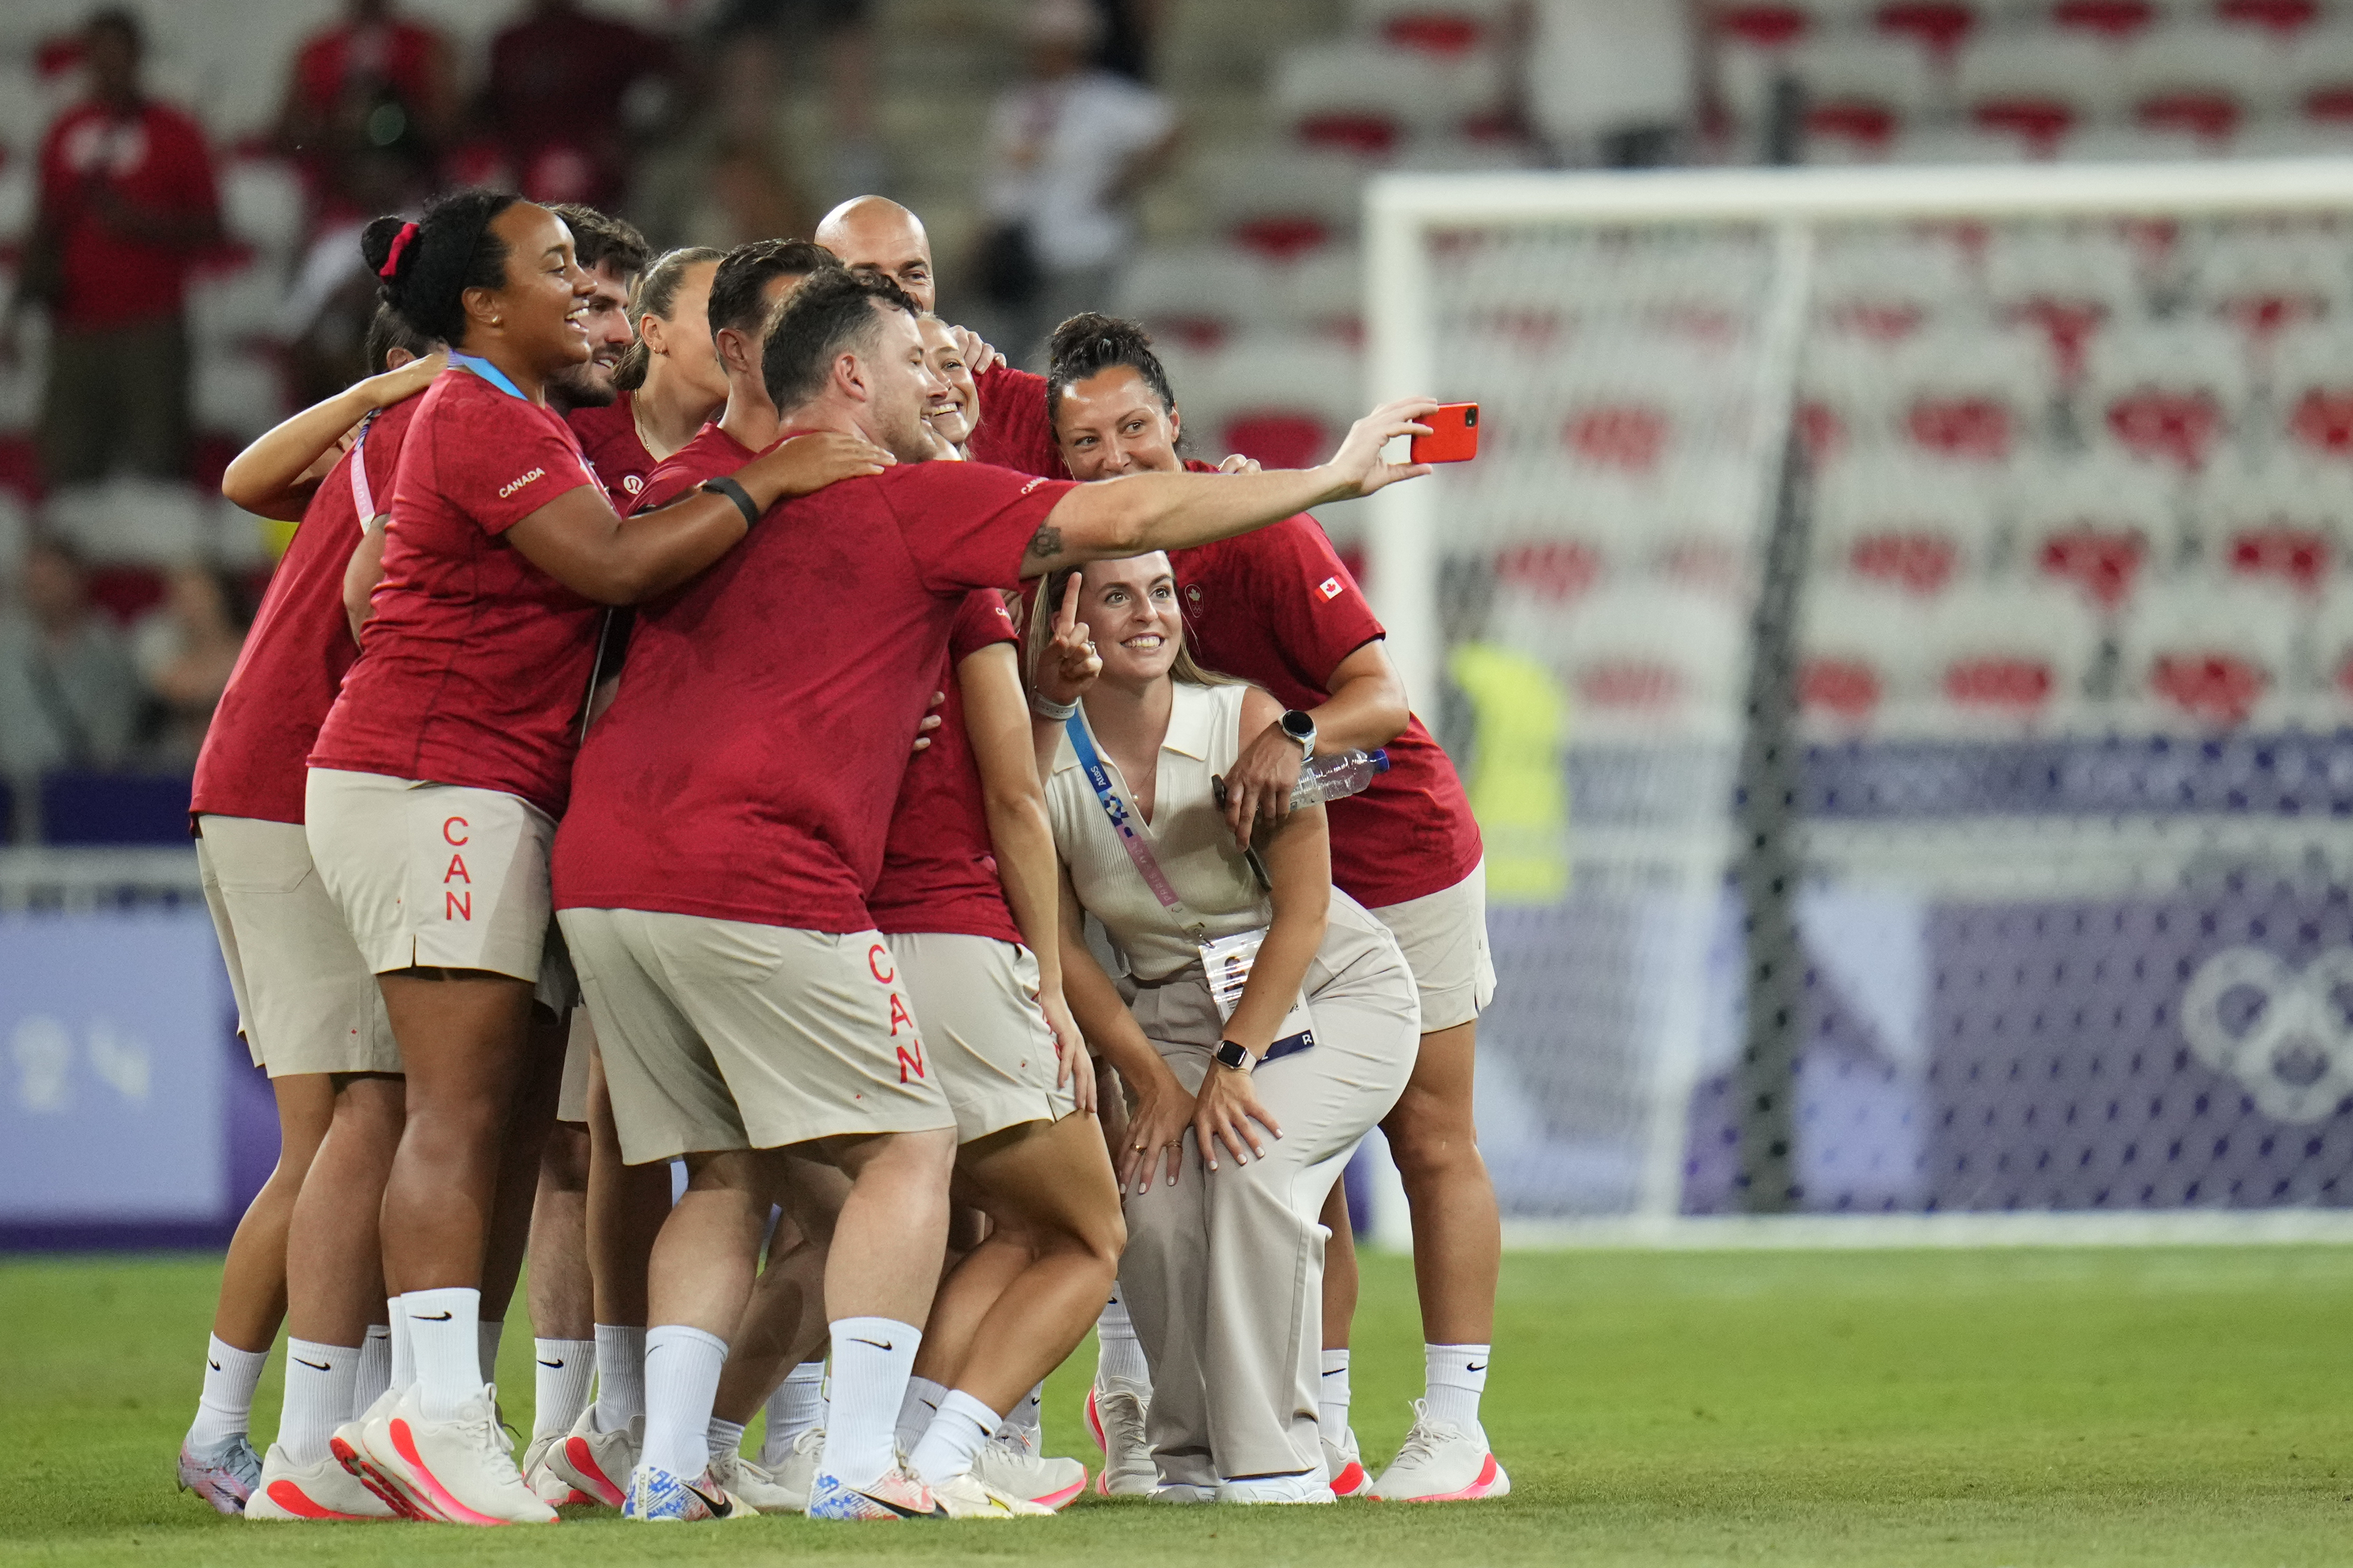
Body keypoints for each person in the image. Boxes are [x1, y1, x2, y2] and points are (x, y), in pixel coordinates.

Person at [545, 265, 1434, 1523]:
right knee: (914, 1152)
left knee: (723, 1174)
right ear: (851, 377)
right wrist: (1331, 478)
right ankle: (864, 1463)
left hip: (601, 871)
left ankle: (664, 1465)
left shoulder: (698, 491)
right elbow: (1117, 514)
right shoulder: (909, 504)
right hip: (764, 869)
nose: (937, 384)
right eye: (914, 364)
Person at [301, 188, 889, 1527]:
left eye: (585, 268)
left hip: (458, 776)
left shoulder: (513, 416)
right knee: (454, 1105)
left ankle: (436, 1404)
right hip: (435, 774)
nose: (583, 290)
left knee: (494, 1110)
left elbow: (388, 579)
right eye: (556, 269)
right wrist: (774, 475)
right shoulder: (484, 415)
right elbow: (615, 565)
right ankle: (431, 1406)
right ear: (479, 304)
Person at [1038, 315, 1509, 1502]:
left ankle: (1456, 1427)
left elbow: (1382, 698)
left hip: (1386, 849)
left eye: (1133, 428)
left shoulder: (1253, 531)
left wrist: (1284, 739)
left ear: (1177, 428)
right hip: (1237, 887)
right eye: (1083, 440)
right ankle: (1320, 1422)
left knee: (1428, 1136)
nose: (1112, 458)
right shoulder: (1063, 560)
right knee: (1289, 1154)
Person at [529, 236, 845, 1516]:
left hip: (664, 852)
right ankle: (635, 1417)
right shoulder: (646, 473)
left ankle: (675, 1440)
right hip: (672, 850)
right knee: (607, 1139)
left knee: (703, 1162)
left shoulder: (735, 467)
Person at [1032, 551, 1418, 1504]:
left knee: (1255, 1172)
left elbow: (1304, 913)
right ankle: (1192, 1455)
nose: (1147, 614)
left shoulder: (1241, 715)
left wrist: (1234, 1060)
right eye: (1116, 595)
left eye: (1160, 592)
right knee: (1154, 1212)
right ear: (1063, 620)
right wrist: (1151, 1078)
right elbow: (1061, 945)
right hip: (1163, 1012)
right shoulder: (1040, 753)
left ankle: (1280, 1457)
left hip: (1327, 992)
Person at [185, 305, 439, 1522]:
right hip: (291, 786)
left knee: (367, 1114)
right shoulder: (411, 438)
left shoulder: (380, 445)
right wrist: (388, 395)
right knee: (348, 1118)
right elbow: (360, 599)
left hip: (278, 784)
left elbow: (250, 481)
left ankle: (322, 1419)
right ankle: (232, 1432)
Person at [12, 8, 221, 488]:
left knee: (158, 464)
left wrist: (144, 226)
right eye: (98, 54)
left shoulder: (175, 132)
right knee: (65, 467)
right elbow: (45, 222)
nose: (108, 65)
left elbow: (212, 227)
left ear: (137, 57)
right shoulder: (64, 129)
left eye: (118, 52)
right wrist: (20, 306)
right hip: (74, 329)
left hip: (151, 326)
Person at [974, 0, 1176, 365]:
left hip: (1085, 251)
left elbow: (1169, 132)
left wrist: (1123, 183)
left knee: (1065, 358)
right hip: (1023, 253)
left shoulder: (1107, 97)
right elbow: (1003, 181)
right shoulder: (1018, 103)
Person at [812, 195, 1065, 478]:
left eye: (914, 275)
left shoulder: (1021, 409)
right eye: (868, 279)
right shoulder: (791, 416)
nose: (899, 296)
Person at [481, 0, 680, 211]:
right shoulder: (509, 44)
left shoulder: (608, 37)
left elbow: (680, 73)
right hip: (525, 190)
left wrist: (637, 140)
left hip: (604, 190)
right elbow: (493, 117)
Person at [0, 537, 144, 779]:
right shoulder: (6, 648)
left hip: (74, 797)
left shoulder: (110, 657)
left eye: (49, 581)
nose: (39, 591)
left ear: (77, 581)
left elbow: (111, 747)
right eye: (33, 582)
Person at [133, 567, 253, 768]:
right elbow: (176, 691)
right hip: (177, 763)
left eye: (198, 597)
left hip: (241, 755)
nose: (189, 607)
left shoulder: (251, 652)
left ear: (223, 597)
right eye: (181, 598)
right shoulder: (166, 659)